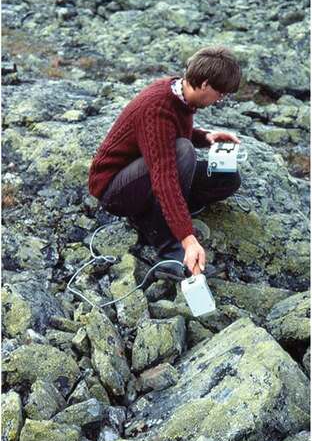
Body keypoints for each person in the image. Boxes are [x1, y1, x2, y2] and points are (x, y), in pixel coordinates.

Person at [88, 46, 241, 281]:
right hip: (116, 190)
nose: (220, 100)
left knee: (226, 178)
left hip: (145, 172)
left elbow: (166, 135)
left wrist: (205, 136)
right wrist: (188, 238)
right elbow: (165, 179)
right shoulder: (156, 108)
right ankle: (170, 252)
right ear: (205, 84)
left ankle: (164, 212)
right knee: (183, 152)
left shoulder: (179, 91)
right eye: (220, 94)